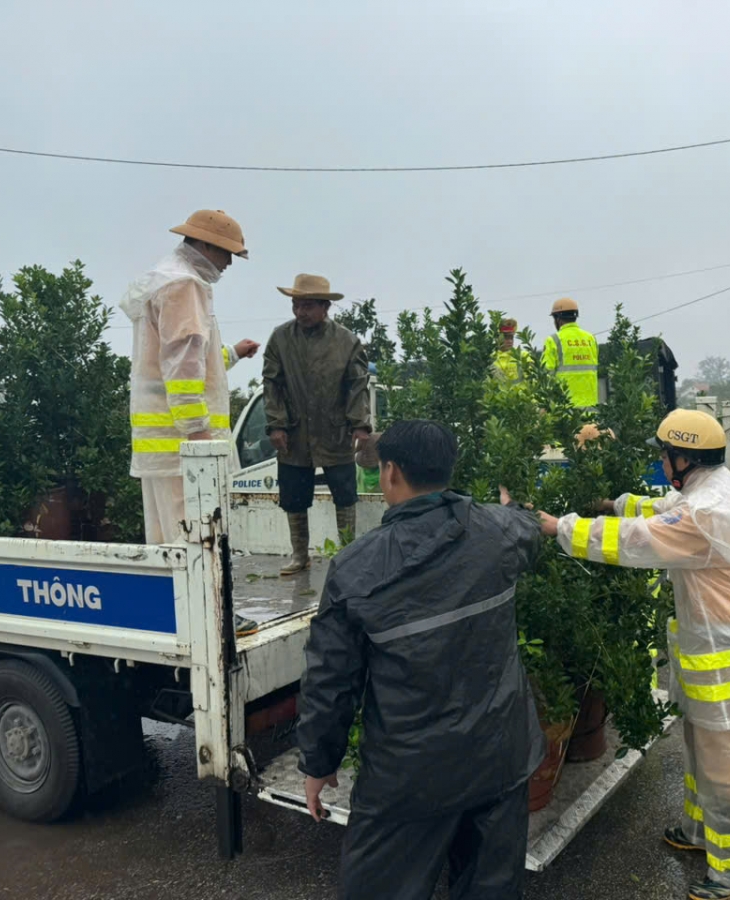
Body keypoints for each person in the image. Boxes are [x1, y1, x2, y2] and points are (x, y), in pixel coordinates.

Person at [535, 408, 730, 900]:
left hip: (727, 665)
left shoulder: (707, 512)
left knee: (727, 774)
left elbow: (641, 539)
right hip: (715, 656)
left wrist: (558, 527)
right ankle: (698, 833)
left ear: (683, 458)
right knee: (701, 755)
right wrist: (615, 502)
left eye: (666, 455)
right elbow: (662, 512)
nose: (663, 463)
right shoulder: (721, 490)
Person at [297, 420, 545, 900]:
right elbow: (530, 531)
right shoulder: (499, 530)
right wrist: (513, 509)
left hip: (408, 781)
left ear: (390, 473)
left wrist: (318, 762)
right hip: (500, 760)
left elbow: (331, 680)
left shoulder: (355, 568)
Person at [120, 209, 261, 636]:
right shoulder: (185, 284)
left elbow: (185, 364)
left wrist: (232, 353)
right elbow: (183, 369)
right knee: (200, 537)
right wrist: (200, 439)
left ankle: (180, 619)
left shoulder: (165, 278)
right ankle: (212, 620)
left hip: (161, 445)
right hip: (183, 448)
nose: (228, 263)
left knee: (169, 542)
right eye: (226, 253)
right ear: (204, 245)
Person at [262, 274, 372, 574]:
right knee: (294, 495)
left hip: (335, 431)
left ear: (325, 307)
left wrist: (359, 424)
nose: (301, 312)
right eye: (296, 305)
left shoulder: (347, 342)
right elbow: (271, 384)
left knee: (345, 493)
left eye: (308, 305)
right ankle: (300, 555)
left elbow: (357, 385)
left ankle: (347, 554)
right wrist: (276, 424)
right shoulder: (280, 338)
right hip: (294, 432)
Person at [541, 297, 599, 408]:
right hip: (591, 407)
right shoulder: (591, 338)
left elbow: (546, 375)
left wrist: (545, 405)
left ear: (557, 319)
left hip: (564, 409)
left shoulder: (553, 340)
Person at [490, 317, 526, 385]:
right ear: (498, 338)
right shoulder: (491, 358)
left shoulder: (523, 356)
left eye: (511, 337)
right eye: (506, 337)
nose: (509, 341)